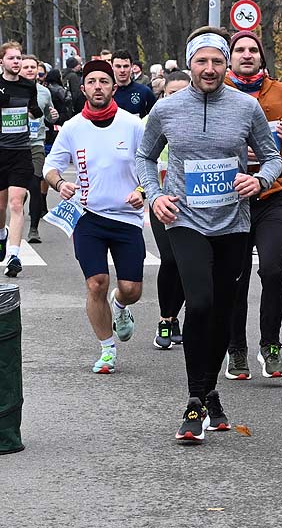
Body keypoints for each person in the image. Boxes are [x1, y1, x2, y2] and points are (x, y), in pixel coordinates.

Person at [136, 26, 282, 442]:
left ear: (226, 65)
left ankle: (209, 391)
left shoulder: (245, 107)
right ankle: (194, 400)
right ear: (190, 64)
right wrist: (155, 196)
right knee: (199, 303)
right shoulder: (167, 109)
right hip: (184, 219)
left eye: (217, 61)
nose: (210, 68)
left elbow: (272, 157)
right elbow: (145, 156)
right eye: (202, 61)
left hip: (233, 223)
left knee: (221, 310)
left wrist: (259, 180)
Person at [43, 60, 146, 374]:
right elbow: (50, 167)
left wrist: (142, 190)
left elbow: (151, 163)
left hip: (127, 217)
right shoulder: (73, 128)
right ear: (83, 88)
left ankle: (121, 305)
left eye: (104, 81)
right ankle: (107, 350)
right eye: (91, 82)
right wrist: (60, 184)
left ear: (114, 87)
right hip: (88, 217)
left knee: (131, 289)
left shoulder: (132, 124)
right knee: (96, 283)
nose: (98, 86)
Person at [223, 30, 282, 380]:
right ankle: (236, 348)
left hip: (273, 194)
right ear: (230, 57)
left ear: (261, 56)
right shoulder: (219, 90)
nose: (247, 54)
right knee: (235, 279)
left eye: (253, 49)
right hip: (232, 196)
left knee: (273, 270)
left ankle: (270, 345)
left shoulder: (280, 90)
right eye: (240, 50)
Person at [148, 71, 191, 350]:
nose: (177, 99)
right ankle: (165, 319)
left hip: (192, 204)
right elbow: (140, 159)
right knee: (170, 259)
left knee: (188, 263)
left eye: (183, 93)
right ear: (163, 95)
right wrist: (145, 191)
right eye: (172, 93)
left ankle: (174, 317)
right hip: (161, 201)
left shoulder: (201, 121)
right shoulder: (152, 121)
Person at [0, 41, 44, 276]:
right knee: (0, 206)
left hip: (21, 151)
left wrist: (39, 113)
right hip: (0, 152)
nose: (16, 62)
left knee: (16, 203)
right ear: (2, 62)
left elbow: (35, 111)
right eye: (11, 58)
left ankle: (14, 256)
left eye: (18, 58)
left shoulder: (28, 86)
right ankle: (1, 235)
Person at [20, 54, 59, 244]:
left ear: (38, 70)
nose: (29, 70)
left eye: (32, 67)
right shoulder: (10, 89)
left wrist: (53, 116)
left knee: (35, 185)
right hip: (14, 144)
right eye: (25, 67)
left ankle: (33, 229)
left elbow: (49, 116)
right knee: (18, 189)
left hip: (36, 143)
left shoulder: (44, 92)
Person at [112, 49, 156, 118]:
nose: (122, 70)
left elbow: (155, 118)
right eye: (118, 66)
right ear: (112, 67)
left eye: (126, 66)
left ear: (131, 67)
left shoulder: (144, 91)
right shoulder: (107, 92)